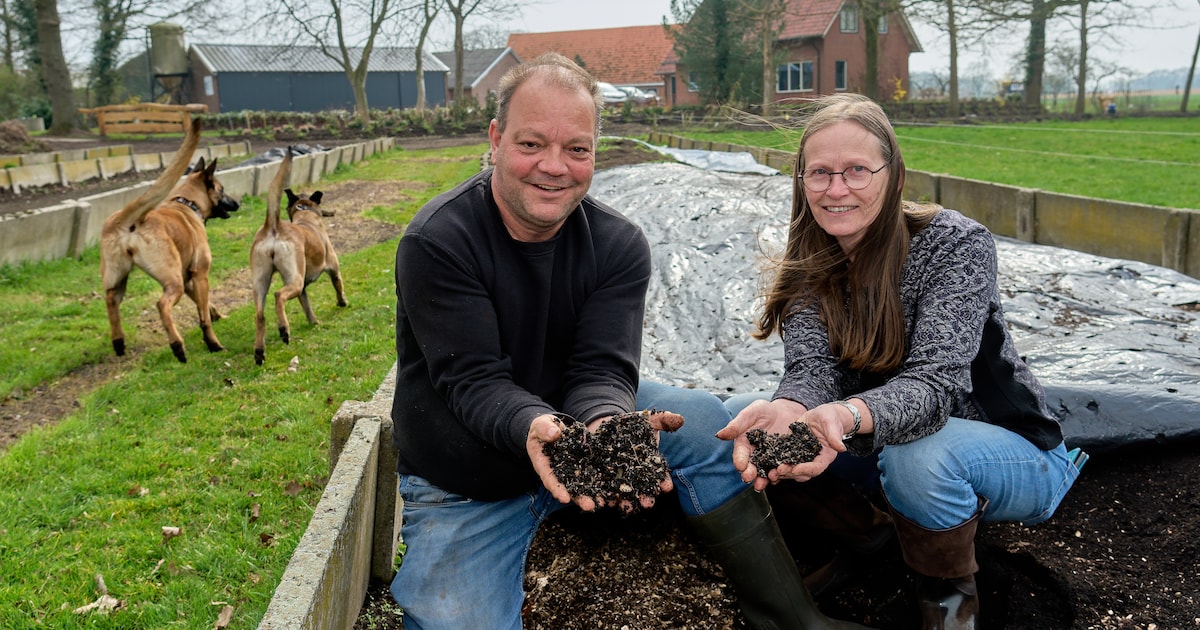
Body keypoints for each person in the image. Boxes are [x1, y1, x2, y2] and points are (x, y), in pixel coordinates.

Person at [387, 53, 869, 630]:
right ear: (495, 139)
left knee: (706, 422)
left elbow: (600, 368)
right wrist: (537, 429)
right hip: (471, 478)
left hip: (572, 430)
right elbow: (473, 382)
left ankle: (793, 618)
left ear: (596, 150)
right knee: (453, 621)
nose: (554, 167)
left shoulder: (616, 244)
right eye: (531, 144)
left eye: (577, 150)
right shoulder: (440, 240)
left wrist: (603, 426)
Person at [717, 93, 1086, 630]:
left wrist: (844, 416)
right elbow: (812, 371)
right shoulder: (810, 261)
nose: (836, 189)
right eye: (819, 173)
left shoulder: (954, 246)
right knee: (743, 419)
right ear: (800, 180)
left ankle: (951, 607)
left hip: (1003, 453)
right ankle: (870, 538)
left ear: (892, 175)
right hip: (884, 444)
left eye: (856, 171)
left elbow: (935, 386)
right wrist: (792, 407)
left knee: (919, 455)